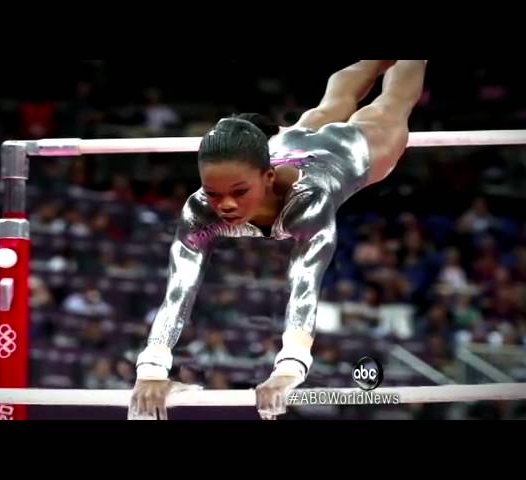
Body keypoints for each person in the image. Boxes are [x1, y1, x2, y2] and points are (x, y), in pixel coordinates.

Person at [128, 60, 428, 420]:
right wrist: (152, 368)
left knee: (391, 102)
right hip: (290, 144)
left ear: (268, 176)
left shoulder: (308, 202)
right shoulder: (200, 209)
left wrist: (290, 367)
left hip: (351, 149)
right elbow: (179, 288)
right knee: (331, 103)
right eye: (212, 192)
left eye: (239, 192)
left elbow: (305, 285)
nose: (225, 205)